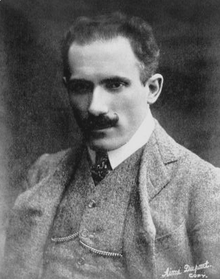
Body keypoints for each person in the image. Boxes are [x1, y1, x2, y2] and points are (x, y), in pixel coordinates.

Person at [3, 12, 220, 279]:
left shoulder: (203, 186)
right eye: (81, 87)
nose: (95, 107)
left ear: (152, 88)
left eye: (115, 84)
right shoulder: (42, 174)